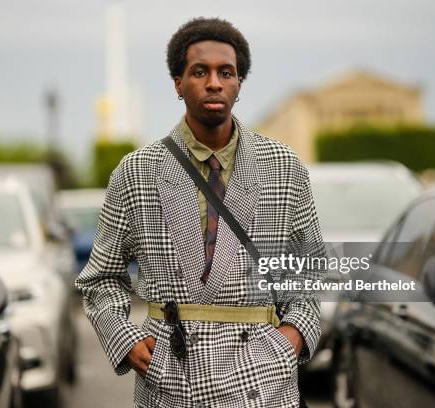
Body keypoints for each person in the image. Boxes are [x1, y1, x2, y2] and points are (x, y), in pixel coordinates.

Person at [75, 17, 324, 408]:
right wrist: (127, 342)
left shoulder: (283, 166)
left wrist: (289, 341)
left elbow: (308, 274)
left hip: (263, 384)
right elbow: (100, 279)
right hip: (171, 381)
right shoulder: (137, 172)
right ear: (178, 83)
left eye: (226, 72)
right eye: (199, 71)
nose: (214, 83)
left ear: (239, 84)